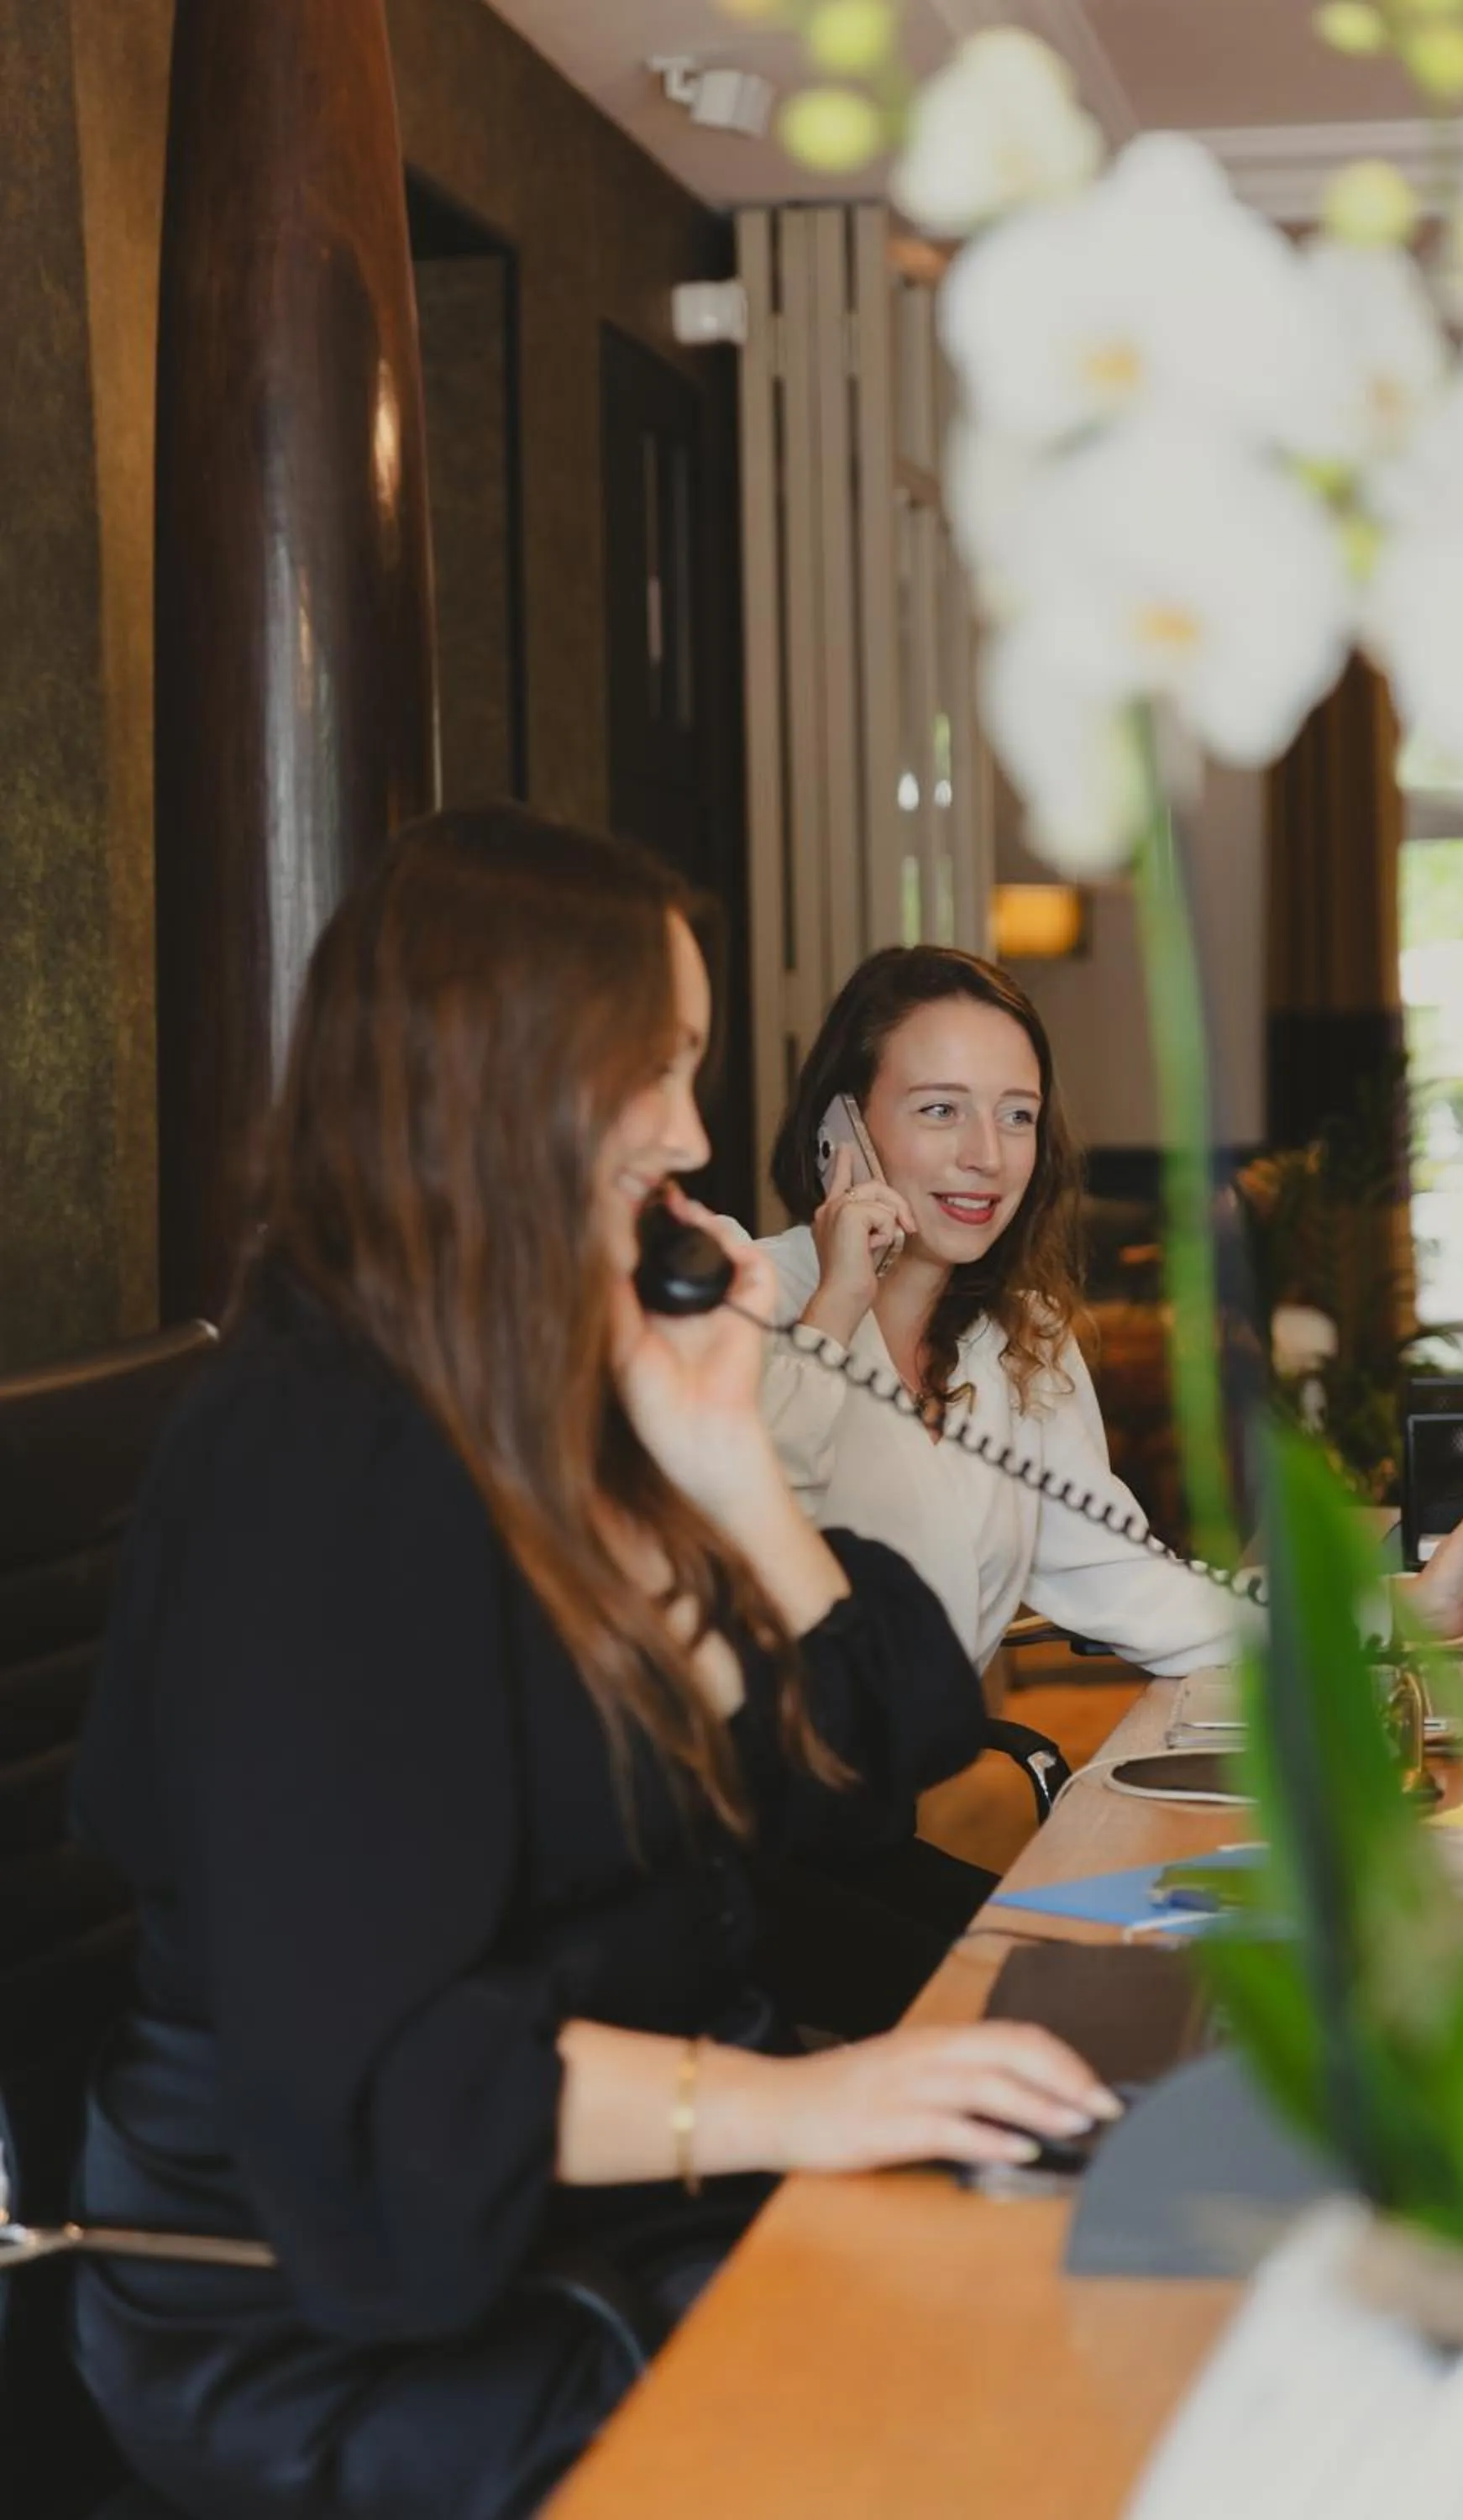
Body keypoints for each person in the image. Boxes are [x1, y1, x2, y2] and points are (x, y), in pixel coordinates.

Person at [71, 815, 1114, 2520]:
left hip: (610, 2212)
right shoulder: (319, 1469)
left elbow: (872, 1757)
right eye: (660, 1067)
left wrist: (730, 1465)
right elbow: (393, 2084)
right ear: (508, 1077)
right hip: (347, 2314)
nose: (697, 1136)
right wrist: (820, 2103)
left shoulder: (554, 1395)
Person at [756, 946, 1463, 1677]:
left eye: (1017, 1115)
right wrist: (838, 1306)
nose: (987, 1156)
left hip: (888, 1812)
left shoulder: (1022, 1342)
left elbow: (1139, 1589)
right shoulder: (749, 1299)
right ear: (840, 1132)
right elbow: (725, 1546)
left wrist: (1411, 1608)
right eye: (939, 1110)